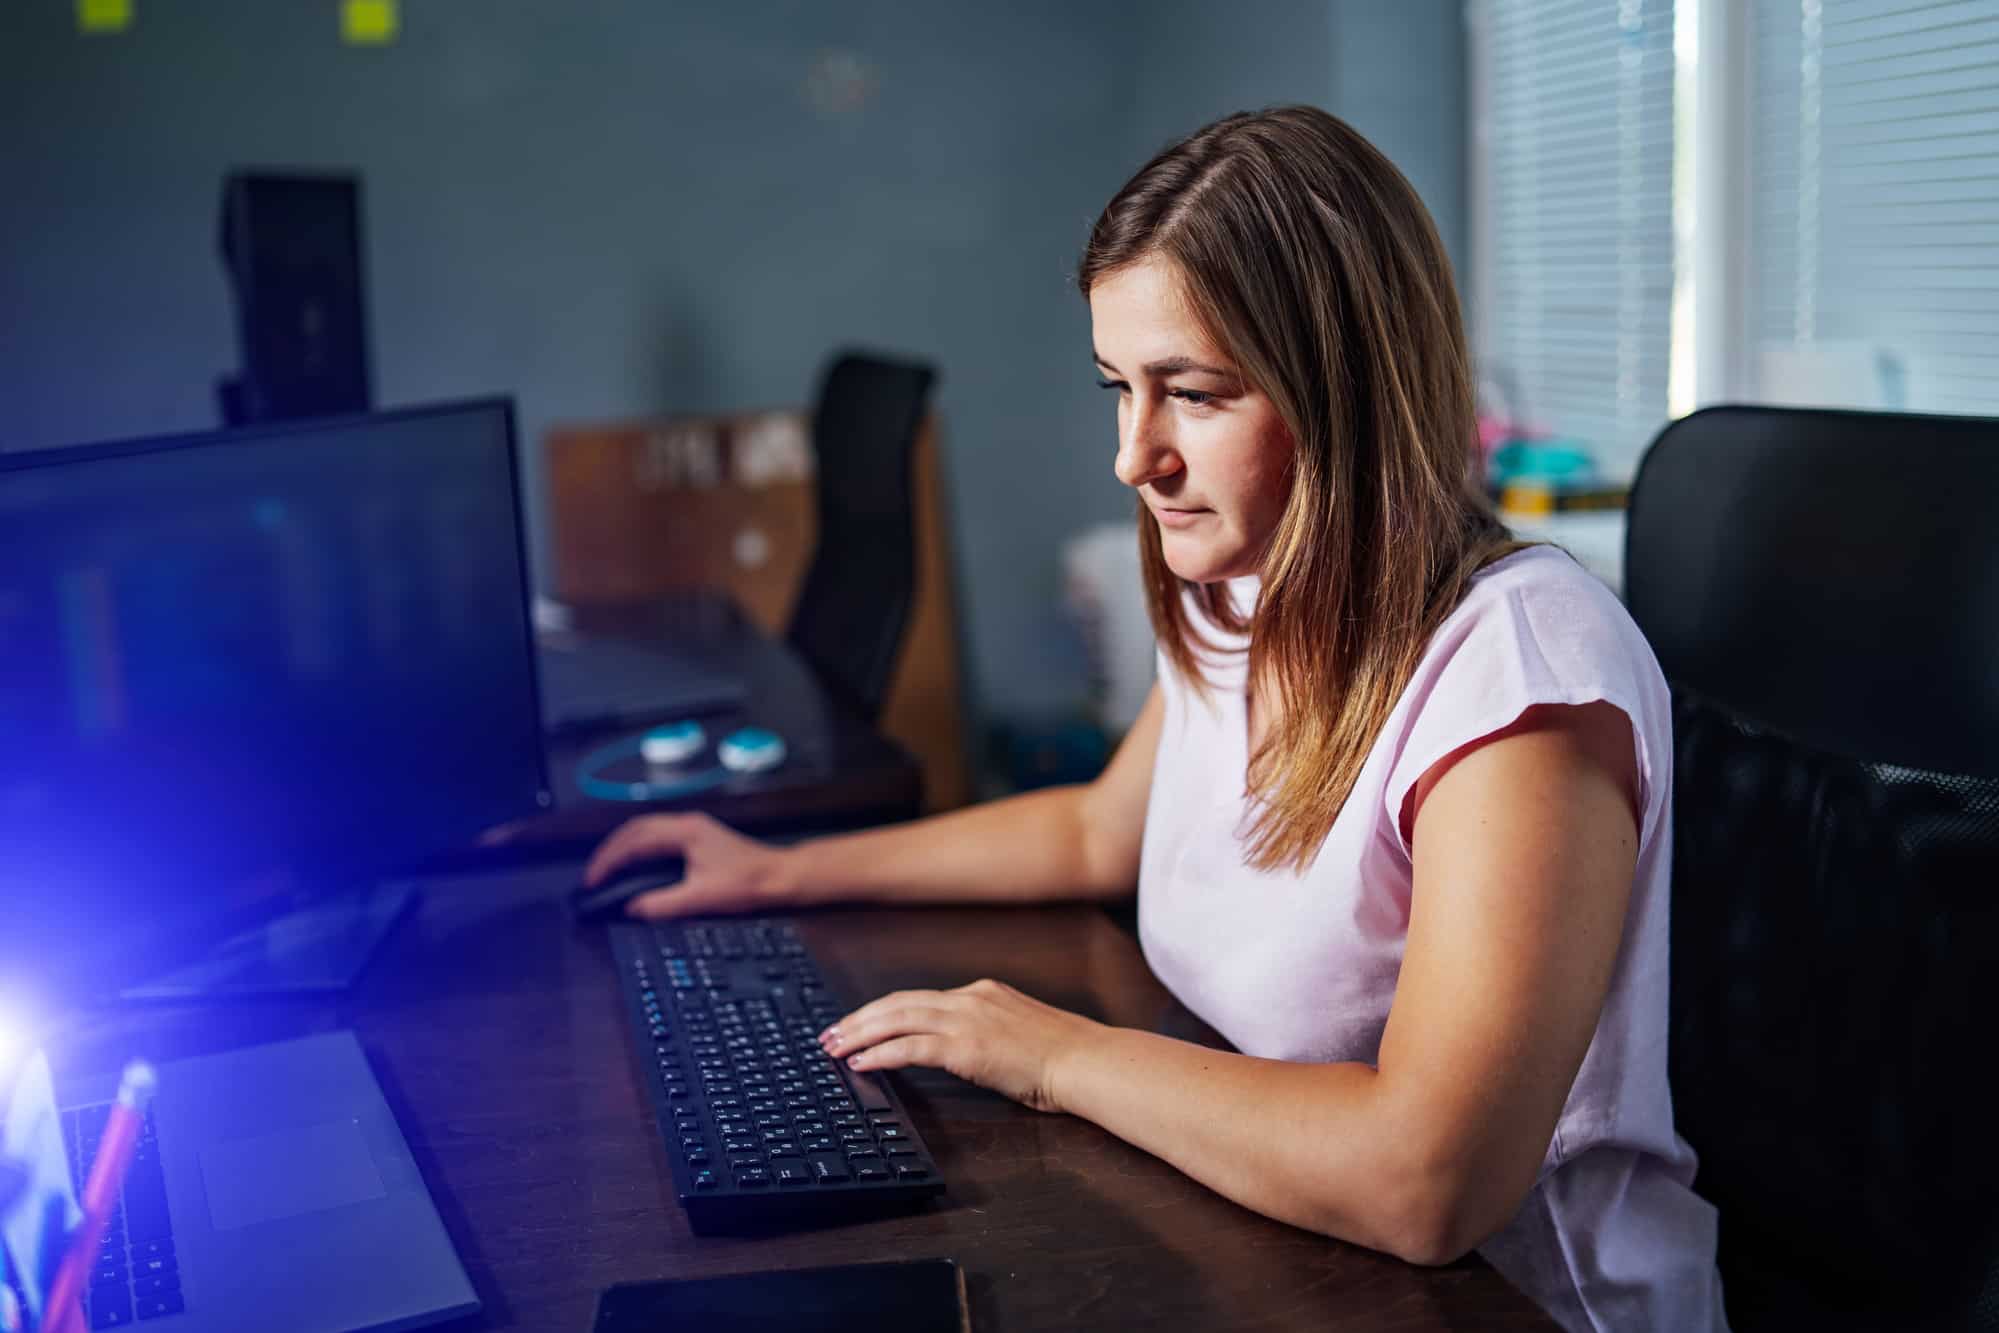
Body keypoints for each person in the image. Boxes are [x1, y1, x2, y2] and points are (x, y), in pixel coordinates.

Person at [583, 106, 1727, 1331]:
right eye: (1117, 387)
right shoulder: (1246, 585)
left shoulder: (1518, 674)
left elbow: (1424, 1181)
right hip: (1278, 1248)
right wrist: (771, 874)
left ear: (1345, 392)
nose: (1135, 455)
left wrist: (1054, 1056)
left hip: (1516, 1306)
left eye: (1190, 392)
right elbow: (1092, 830)